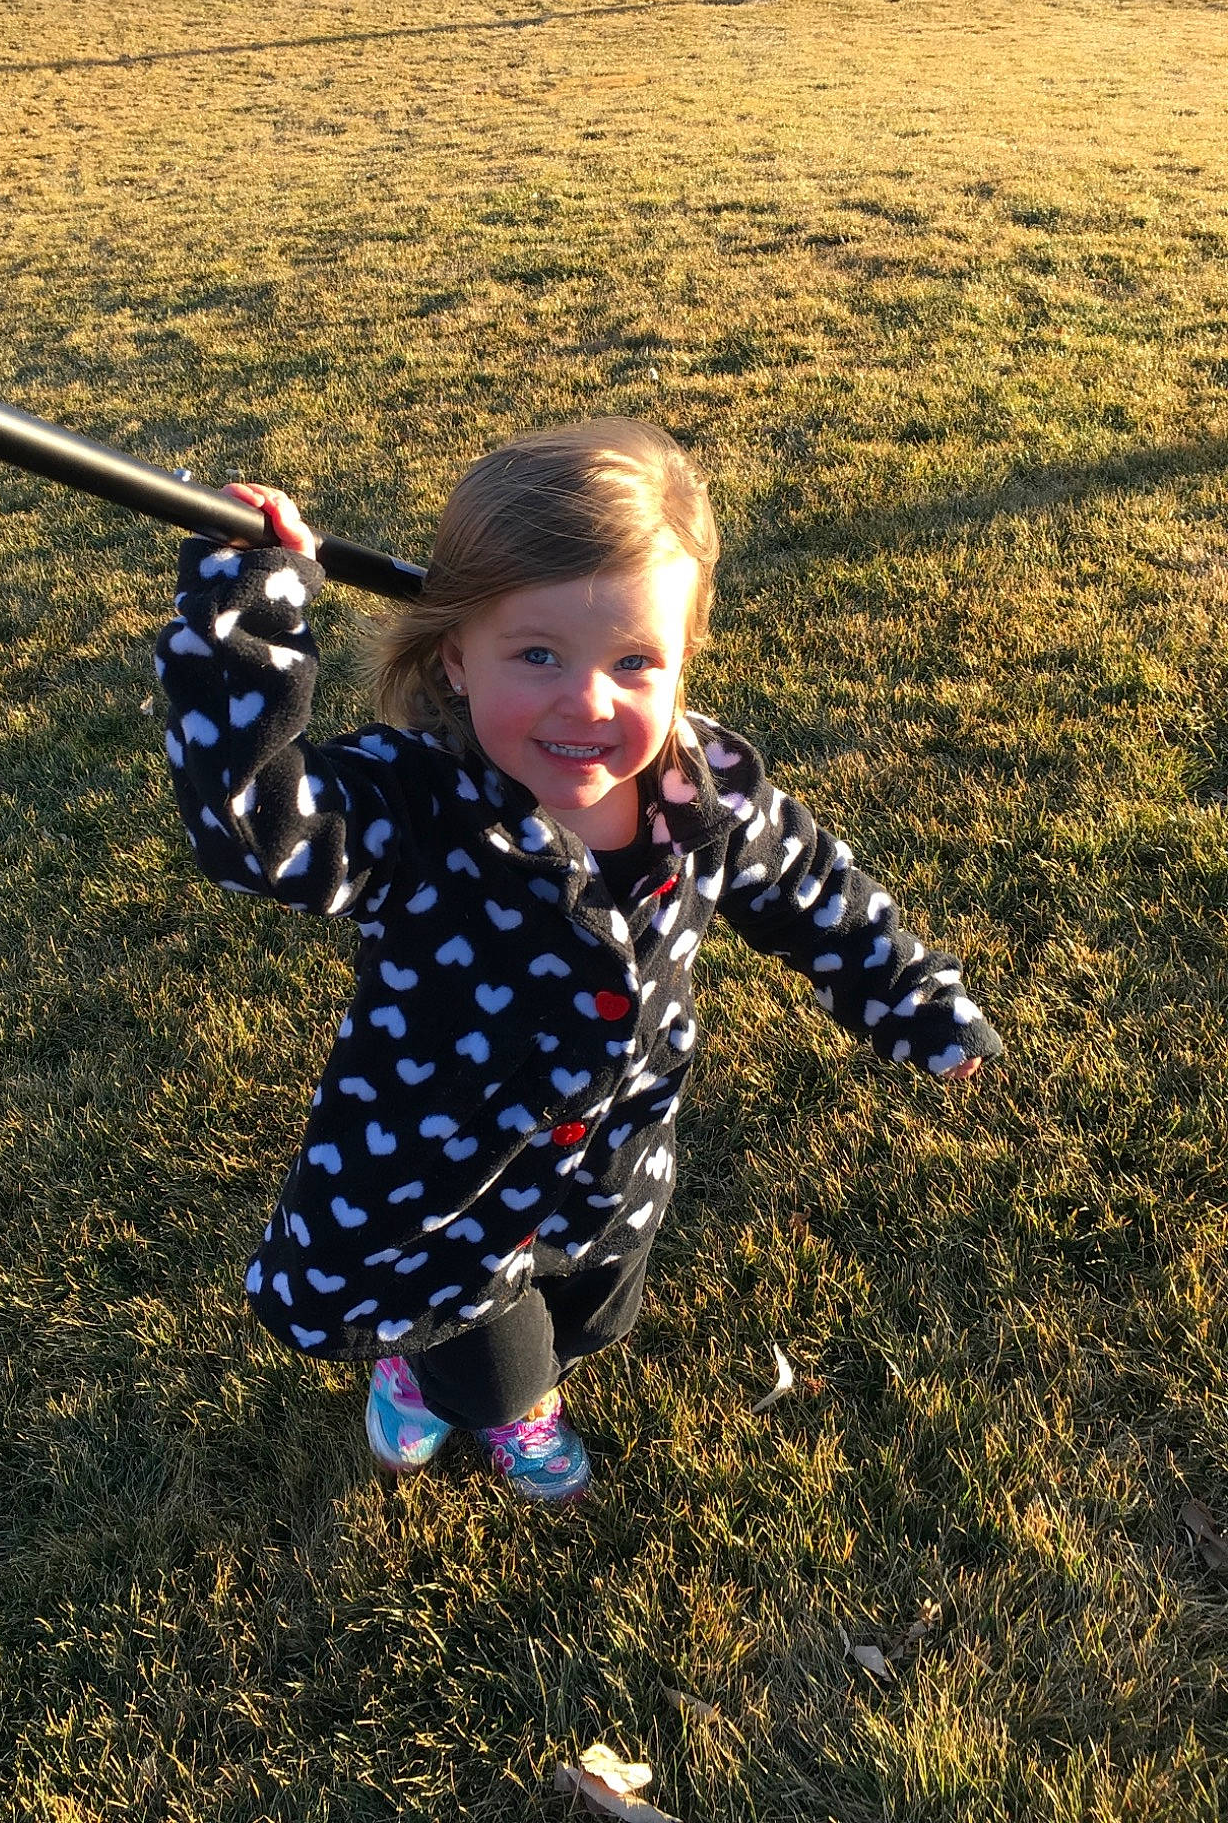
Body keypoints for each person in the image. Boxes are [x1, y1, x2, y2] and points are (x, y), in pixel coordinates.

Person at [155, 420, 1002, 1506]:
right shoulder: (411, 804)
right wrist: (245, 623)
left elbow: (814, 890)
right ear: (457, 653)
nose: (588, 700)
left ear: (685, 655)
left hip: (613, 1164)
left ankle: (489, 1369)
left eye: (635, 660)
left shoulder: (704, 789)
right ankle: (446, 1386)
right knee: (502, 1369)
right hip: (444, 1192)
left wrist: (914, 1001)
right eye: (538, 653)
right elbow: (254, 830)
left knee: (599, 1314)